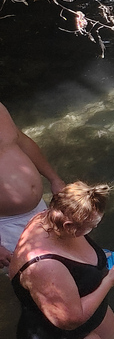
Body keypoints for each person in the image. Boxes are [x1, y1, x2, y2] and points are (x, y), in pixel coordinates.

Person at [8, 181, 114, 339]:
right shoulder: (44, 266)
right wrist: (111, 280)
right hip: (55, 338)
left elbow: (79, 261)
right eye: (92, 226)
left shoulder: (53, 219)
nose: (93, 229)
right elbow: (69, 321)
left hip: (82, 308)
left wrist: (111, 258)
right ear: (70, 226)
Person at [0, 101, 66, 268]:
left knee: (72, 261)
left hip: (39, 208)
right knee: (48, 281)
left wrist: (54, 179)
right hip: (7, 226)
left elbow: (23, 142)